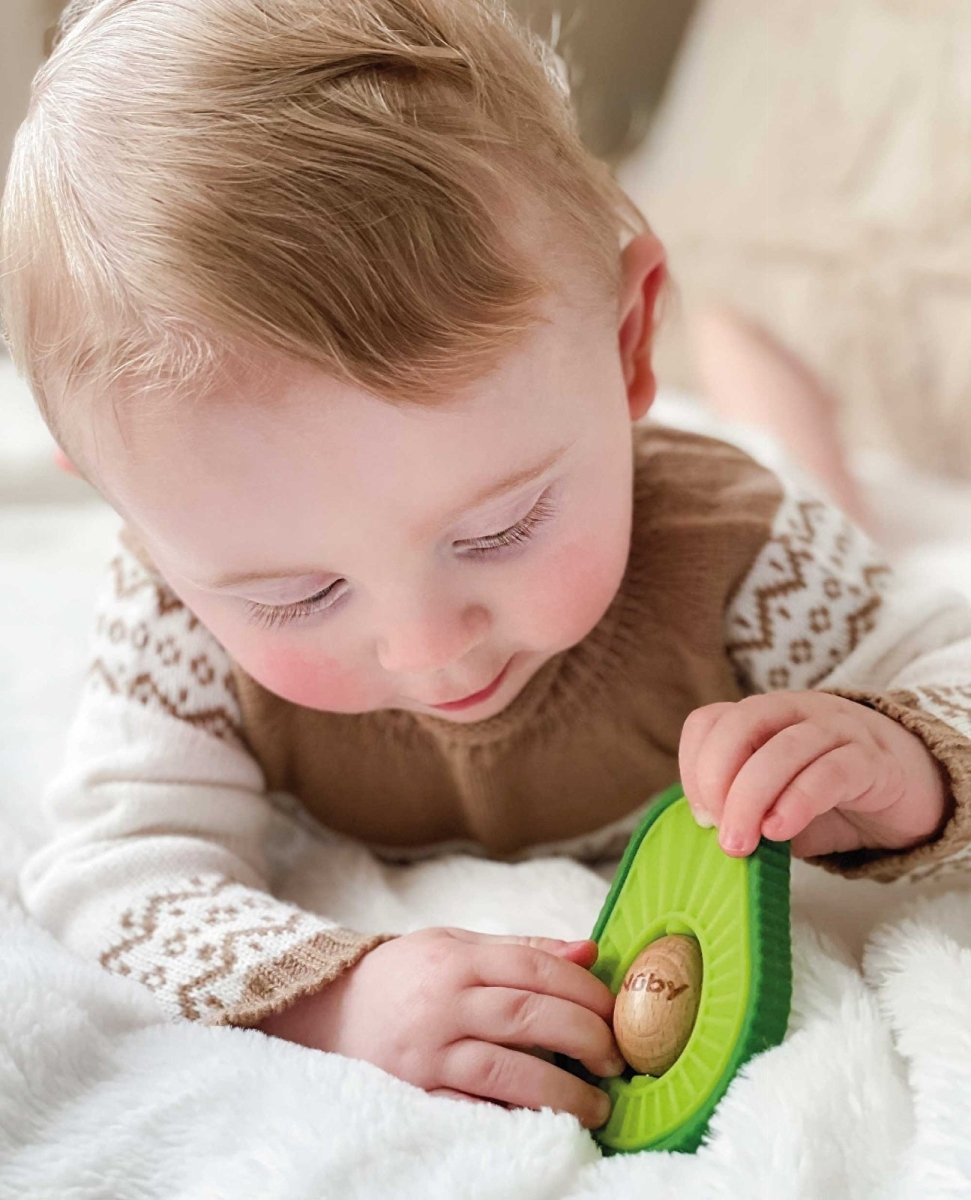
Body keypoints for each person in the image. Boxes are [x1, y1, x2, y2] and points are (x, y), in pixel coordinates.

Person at [3, 0, 971, 1136]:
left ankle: (771, 383)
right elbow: (112, 877)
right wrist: (338, 998)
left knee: (827, 495)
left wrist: (900, 761)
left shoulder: (744, 554)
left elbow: (944, 662)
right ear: (130, 510)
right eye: (296, 596)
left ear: (623, 345)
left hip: (740, 486)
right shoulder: (173, 613)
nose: (428, 645)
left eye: (499, 529)